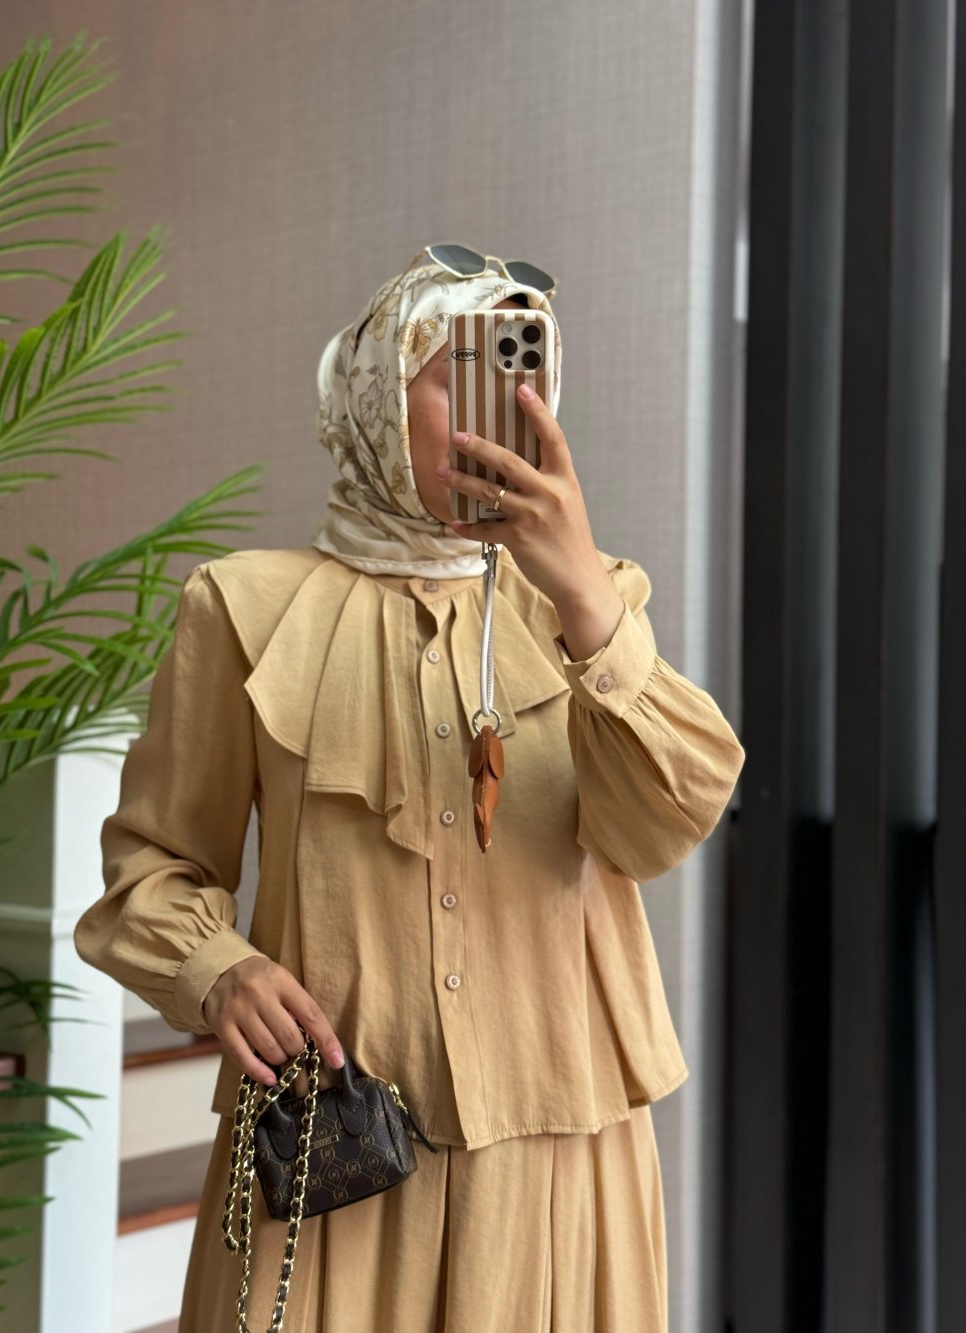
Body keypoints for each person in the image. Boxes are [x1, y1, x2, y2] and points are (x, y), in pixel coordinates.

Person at [73, 247, 746, 1332]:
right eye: (466, 370)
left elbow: (663, 826)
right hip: (336, 1153)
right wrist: (217, 970)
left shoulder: (591, 605)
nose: (509, 405)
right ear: (380, 393)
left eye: (527, 369)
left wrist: (580, 593)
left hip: (556, 1155)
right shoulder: (242, 610)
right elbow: (149, 868)